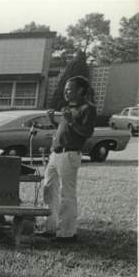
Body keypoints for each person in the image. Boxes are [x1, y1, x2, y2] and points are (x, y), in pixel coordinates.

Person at [38, 76, 95, 243]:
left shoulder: (87, 108)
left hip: (69, 154)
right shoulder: (69, 107)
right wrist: (54, 122)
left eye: (69, 89)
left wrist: (70, 121)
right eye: (65, 89)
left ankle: (67, 233)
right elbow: (68, 130)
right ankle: (50, 228)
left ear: (80, 91)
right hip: (55, 154)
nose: (66, 91)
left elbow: (86, 132)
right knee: (49, 190)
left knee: (66, 194)